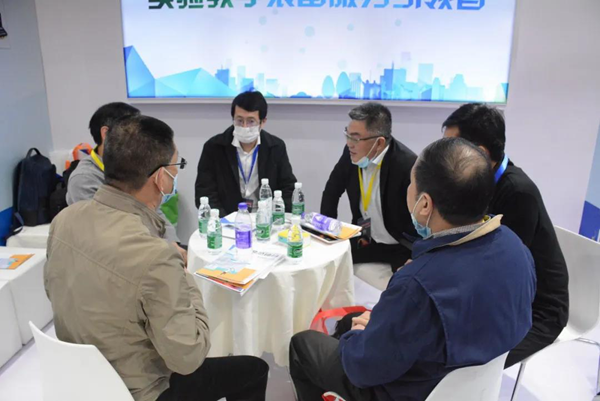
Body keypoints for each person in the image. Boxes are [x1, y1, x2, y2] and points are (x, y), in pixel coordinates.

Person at [290, 137, 536, 401]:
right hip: (475, 386)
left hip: (408, 390)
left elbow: (363, 370)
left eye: (411, 183)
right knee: (353, 320)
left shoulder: (418, 285)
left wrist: (360, 336)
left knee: (304, 344)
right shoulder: (515, 248)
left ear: (425, 204)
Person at [45, 115, 269, 401]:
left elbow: (55, 290)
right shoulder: (156, 256)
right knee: (254, 369)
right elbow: (188, 357)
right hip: (137, 390)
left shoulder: (64, 220)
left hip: (80, 378)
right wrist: (184, 277)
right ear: (161, 177)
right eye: (177, 166)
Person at [442, 103, 569, 368]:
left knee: (462, 365)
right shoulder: (476, 182)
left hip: (535, 309)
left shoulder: (517, 193)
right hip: (493, 292)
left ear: (481, 152)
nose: (443, 156)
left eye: (450, 148)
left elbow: (503, 277)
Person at [66, 102, 181, 245]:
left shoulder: (133, 166)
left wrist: (172, 243)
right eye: (130, 129)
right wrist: (161, 248)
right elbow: (103, 231)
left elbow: (154, 210)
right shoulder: (83, 179)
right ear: (105, 134)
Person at [320, 102, 417, 271]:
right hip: (365, 237)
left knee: (402, 283)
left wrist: (418, 255)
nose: (349, 143)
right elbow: (332, 190)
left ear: (379, 143)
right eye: (347, 135)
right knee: (330, 263)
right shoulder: (352, 153)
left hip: (399, 244)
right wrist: (327, 232)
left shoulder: (406, 165)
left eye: (355, 138)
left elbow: (422, 217)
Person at [195, 91, 297, 215]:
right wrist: (225, 220)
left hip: (265, 218)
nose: (244, 127)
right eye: (239, 121)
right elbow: (205, 192)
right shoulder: (214, 147)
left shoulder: (276, 147)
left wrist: (276, 217)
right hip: (228, 219)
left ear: (263, 122)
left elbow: (288, 188)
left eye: (251, 121)